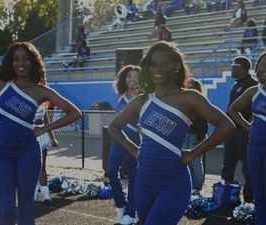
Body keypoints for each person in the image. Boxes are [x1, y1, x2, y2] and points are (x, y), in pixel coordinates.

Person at [107, 41, 235, 225]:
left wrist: (193, 153)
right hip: (143, 182)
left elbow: (226, 125)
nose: (158, 68)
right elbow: (113, 127)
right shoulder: (141, 101)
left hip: (173, 183)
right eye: (153, 64)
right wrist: (134, 150)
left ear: (176, 66)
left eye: (164, 63)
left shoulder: (189, 97)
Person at [0, 41, 81, 225]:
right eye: (16, 59)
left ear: (34, 62)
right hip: (3, 154)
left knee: (26, 211)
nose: (21, 63)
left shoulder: (40, 90)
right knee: (7, 211)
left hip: (29, 153)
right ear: (10, 62)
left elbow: (75, 112)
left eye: (26, 59)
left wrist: (43, 129)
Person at [228, 52, 266, 225]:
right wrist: (247, 126)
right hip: (255, 147)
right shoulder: (253, 91)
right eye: (262, 64)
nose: (265, 68)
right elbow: (232, 109)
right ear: (257, 68)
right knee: (259, 193)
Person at [220, 56, 258, 203]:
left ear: (241, 67)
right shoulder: (236, 85)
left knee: (247, 167)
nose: (231, 69)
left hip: (243, 132)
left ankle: (249, 200)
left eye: (233, 66)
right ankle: (225, 197)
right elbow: (231, 108)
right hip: (231, 132)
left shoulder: (253, 84)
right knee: (227, 166)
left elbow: (257, 109)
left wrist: (246, 126)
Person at [107, 65, 141, 225]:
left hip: (137, 141)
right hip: (120, 139)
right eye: (129, 76)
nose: (132, 80)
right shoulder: (121, 95)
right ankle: (121, 204)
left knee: (134, 177)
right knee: (112, 171)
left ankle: (131, 212)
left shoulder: (144, 97)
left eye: (136, 76)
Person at [184, 78, 208, 195]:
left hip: (196, 135)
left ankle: (197, 187)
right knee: (185, 161)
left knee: (196, 162)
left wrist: (200, 137)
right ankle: (188, 185)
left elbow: (204, 122)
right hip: (186, 134)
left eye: (191, 87)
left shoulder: (201, 101)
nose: (188, 89)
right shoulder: (184, 102)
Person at [34, 102, 59, 204]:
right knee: (29, 167)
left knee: (42, 166)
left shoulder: (43, 103)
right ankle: (32, 193)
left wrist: (52, 138)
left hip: (42, 137)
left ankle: (45, 194)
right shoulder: (24, 97)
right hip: (28, 135)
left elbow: (46, 121)